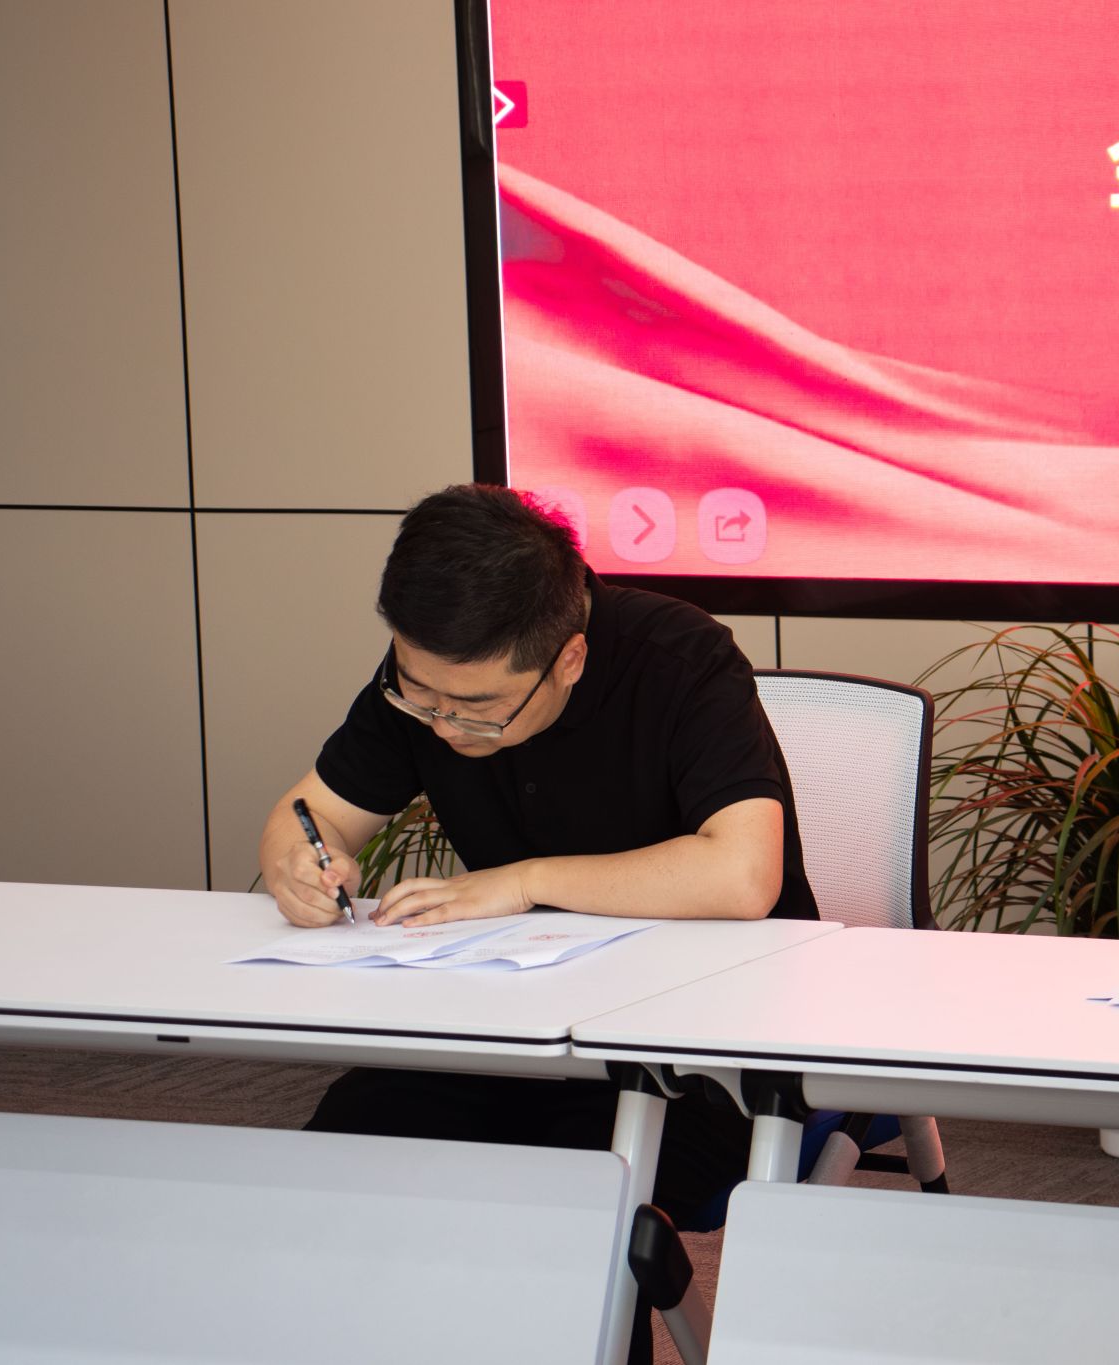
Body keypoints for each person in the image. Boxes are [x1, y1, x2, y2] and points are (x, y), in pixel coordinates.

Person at [258, 483, 816, 1363]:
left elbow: (744, 873)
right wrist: (300, 861)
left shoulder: (681, 658)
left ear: (569, 658)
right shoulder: (429, 682)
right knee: (342, 1159)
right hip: (510, 1033)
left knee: (564, 1215)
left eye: (477, 708)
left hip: (701, 1050)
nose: (444, 724)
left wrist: (523, 884)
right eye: (422, 696)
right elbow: (312, 810)